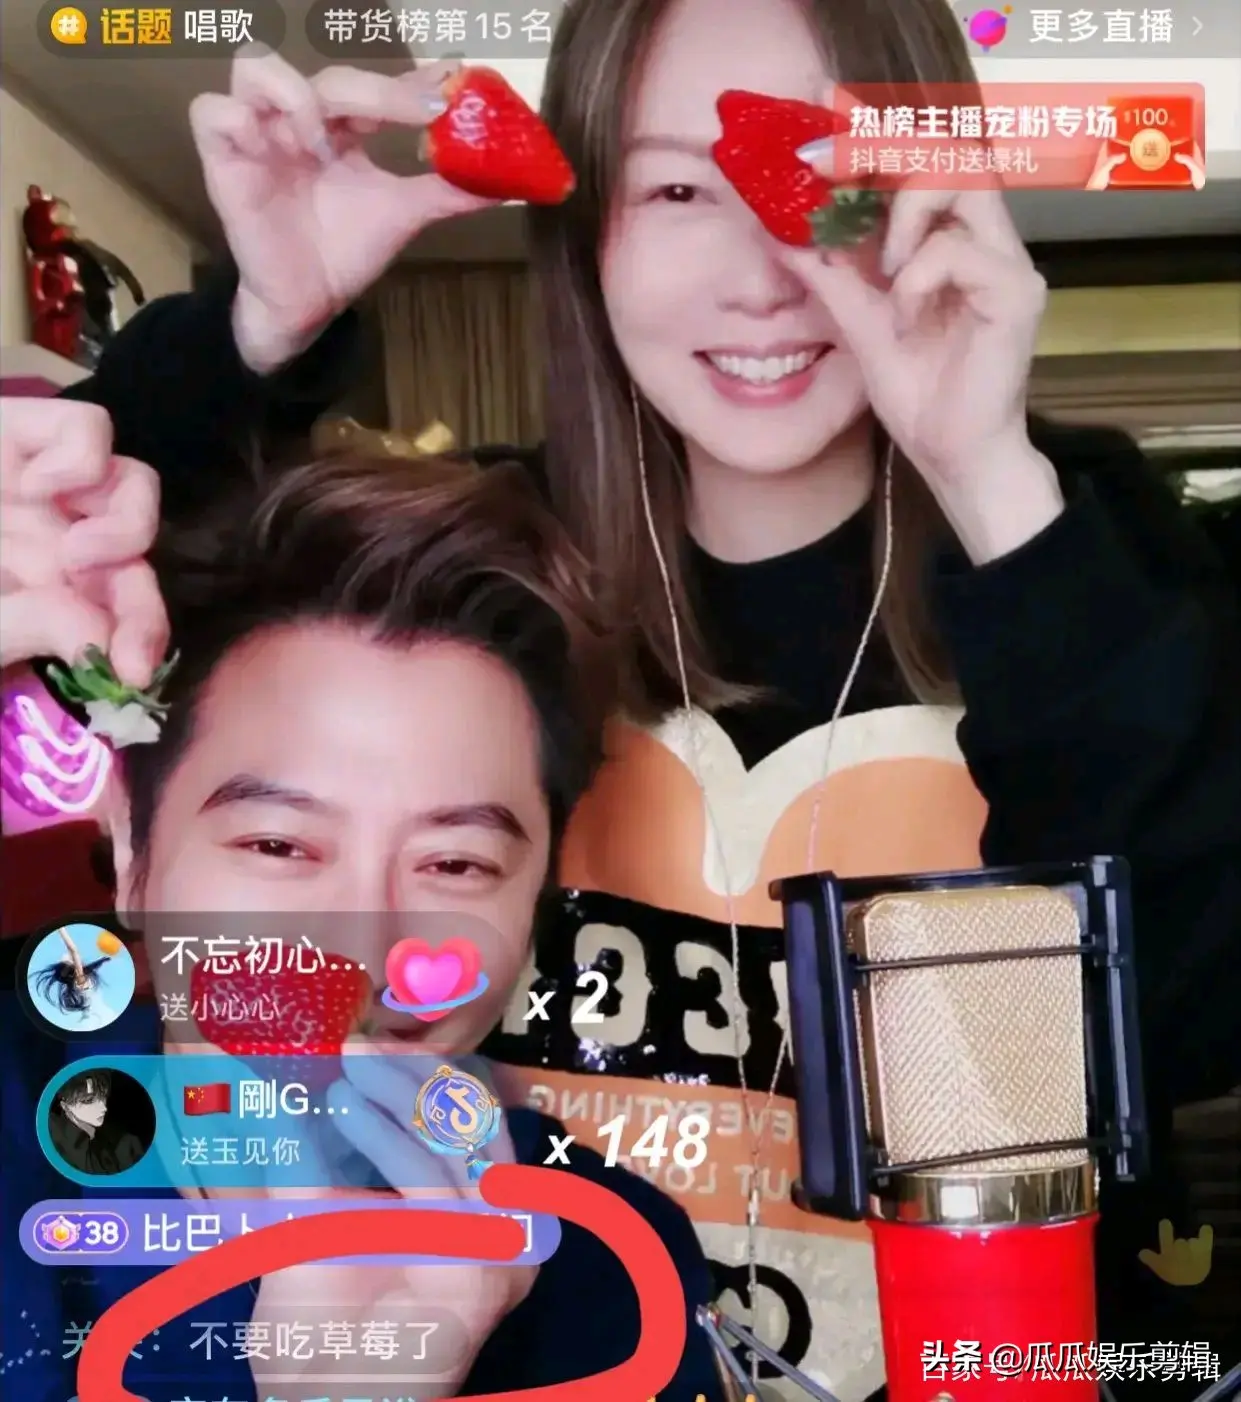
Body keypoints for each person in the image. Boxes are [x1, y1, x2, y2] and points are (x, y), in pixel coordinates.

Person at [30, 0, 1241, 1393]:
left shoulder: (1080, 551)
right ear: (586, 235)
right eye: (674, 191)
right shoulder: (478, 576)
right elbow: (99, 628)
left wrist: (986, 479)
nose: (762, 280)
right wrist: (257, 322)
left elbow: (1189, 1021)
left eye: (824, 181)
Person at [0, 426, 723, 1401]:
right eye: (278, 846)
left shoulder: (611, 1272)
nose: (362, 954)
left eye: (455, 863)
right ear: (132, 851)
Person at [47, 1067, 145, 1175]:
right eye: (89, 1100)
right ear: (65, 1106)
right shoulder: (57, 1139)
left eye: (103, 1095)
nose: (103, 1107)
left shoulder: (120, 1139)